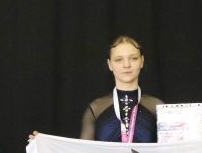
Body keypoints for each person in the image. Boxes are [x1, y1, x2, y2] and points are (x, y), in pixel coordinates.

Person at [31, 35, 163, 142]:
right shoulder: (96, 108)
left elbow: (170, 152)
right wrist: (45, 144)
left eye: (133, 58)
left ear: (142, 61)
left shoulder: (157, 107)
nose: (126, 65)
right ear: (109, 64)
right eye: (118, 60)